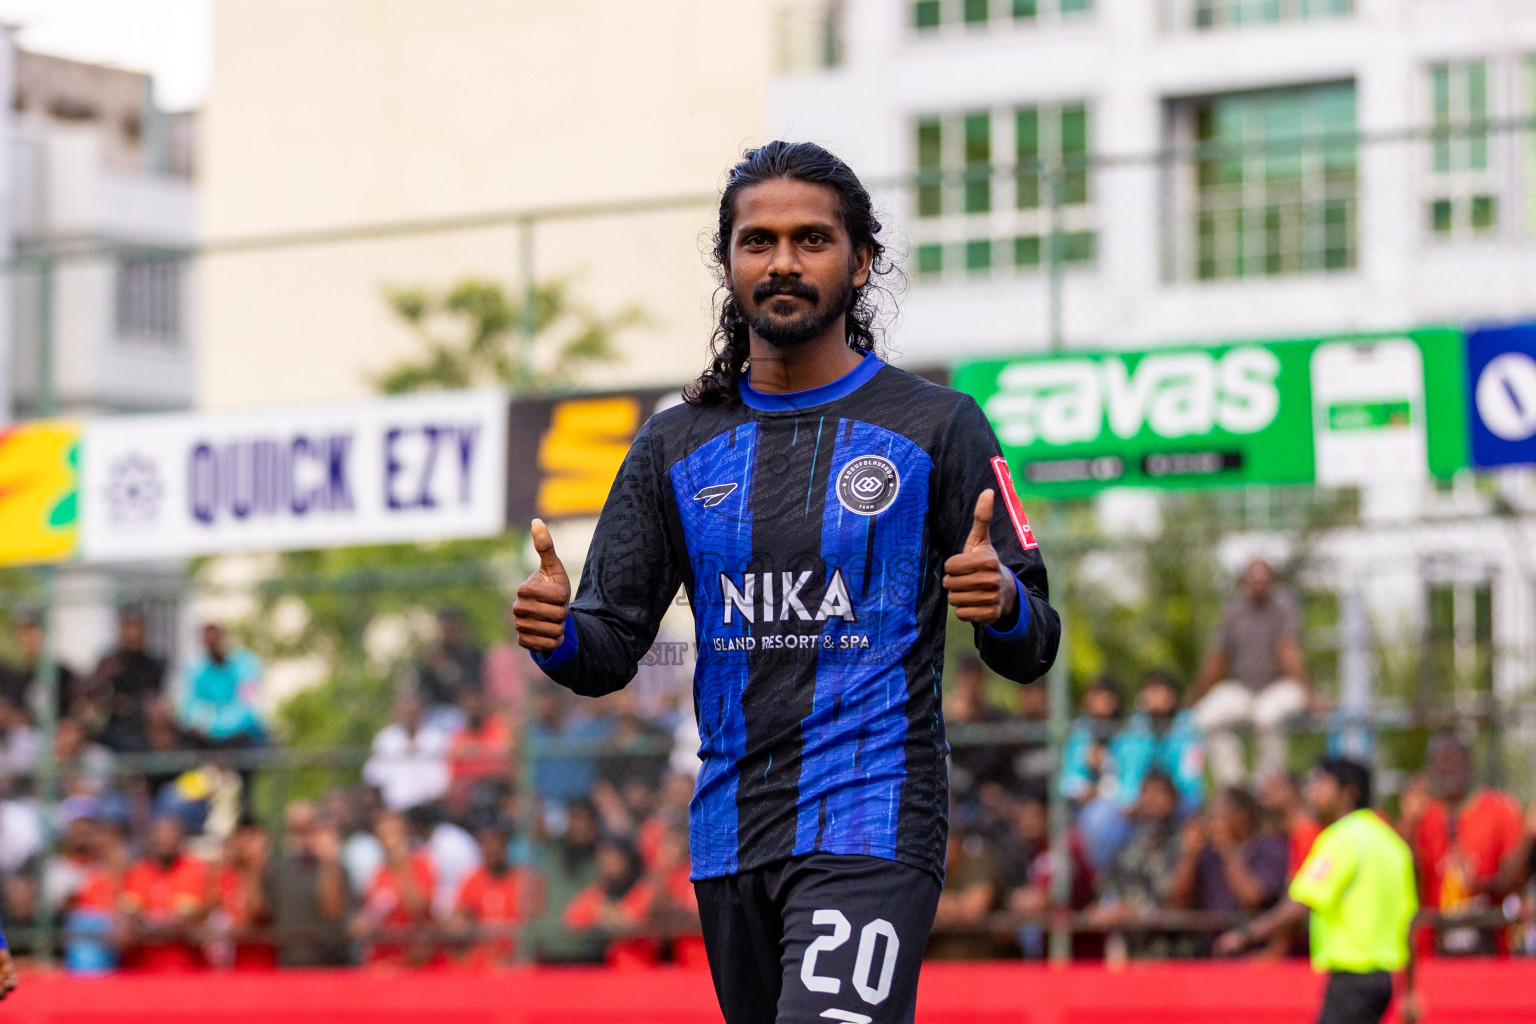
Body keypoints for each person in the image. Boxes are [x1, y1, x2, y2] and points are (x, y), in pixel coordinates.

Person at [512, 141, 1060, 1024]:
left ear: (861, 260)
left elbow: (1038, 640)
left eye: (812, 239)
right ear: (728, 262)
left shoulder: (939, 425)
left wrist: (999, 604)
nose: (783, 262)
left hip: (874, 817)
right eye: (758, 241)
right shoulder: (674, 445)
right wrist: (557, 633)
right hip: (731, 835)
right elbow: (608, 646)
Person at [1216, 759, 1420, 1024]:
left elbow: (1302, 901)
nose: (1312, 791)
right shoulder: (1392, 843)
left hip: (1352, 978)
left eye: (1322, 783)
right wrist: (1411, 991)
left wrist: (1246, 934)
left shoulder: (1342, 838)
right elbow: (1410, 922)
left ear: (1348, 793)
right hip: (1383, 981)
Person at [1188, 559, 1316, 785]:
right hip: (1245, 687)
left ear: (1272, 581)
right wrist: (1195, 696)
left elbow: (1288, 651)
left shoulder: (1283, 604)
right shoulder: (1233, 608)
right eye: (1253, 578)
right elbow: (1219, 657)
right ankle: (1234, 788)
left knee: (1267, 716)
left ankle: (1266, 787)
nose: (1258, 584)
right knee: (1206, 716)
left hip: (1280, 685)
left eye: (1263, 578)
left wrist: (1310, 696)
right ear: (1244, 581)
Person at [1397, 733, 1523, 955]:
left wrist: (1477, 884)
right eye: (1439, 762)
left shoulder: (1500, 811)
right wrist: (1409, 823)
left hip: (1489, 947)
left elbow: (1514, 883)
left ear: (1468, 762)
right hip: (1433, 949)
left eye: (1452, 760)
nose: (1446, 769)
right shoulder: (1423, 815)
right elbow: (1399, 877)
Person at [1168, 786, 1289, 950]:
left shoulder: (1271, 850)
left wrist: (1227, 850)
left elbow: (1252, 899)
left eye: (1219, 817)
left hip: (1256, 953)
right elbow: (1177, 899)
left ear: (1242, 818)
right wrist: (1190, 853)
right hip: (1212, 952)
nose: (1212, 823)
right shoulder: (1208, 855)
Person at [1090, 769, 1192, 959]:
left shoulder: (1185, 844)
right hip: (1133, 955)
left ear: (1173, 799)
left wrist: (1138, 915)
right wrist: (1107, 908)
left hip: (1175, 955)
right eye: (1146, 792)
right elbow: (1108, 890)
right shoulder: (1127, 845)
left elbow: (1180, 900)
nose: (1152, 800)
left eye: (1159, 793)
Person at [267, 801, 352, 968]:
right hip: (288, 964)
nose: (302, 836)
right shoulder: (279, 871)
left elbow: (332, 910)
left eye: (307, 829)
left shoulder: (336, 869)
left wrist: (329, 862)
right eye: (296, 829)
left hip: (328, 965)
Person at [118, 815, 209, 970]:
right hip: (142, 966)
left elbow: (185, 922)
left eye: (170, 838)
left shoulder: (193, 870)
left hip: (184, 966)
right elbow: (129, 918)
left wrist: (148, 927)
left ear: (181, 840)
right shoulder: (138, 872)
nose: (165, 843)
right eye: (160, 838)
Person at [356, 807, 437, 967]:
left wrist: (401, 866)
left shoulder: (421, 864)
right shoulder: (378, 873)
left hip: (414, 960)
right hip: (382, 959)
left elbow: (418, 908)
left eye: (394, 833)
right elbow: (373, 912)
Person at [451, 816, 534, 966]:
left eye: (496, 840)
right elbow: (457, 924)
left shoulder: (523, 880)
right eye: (486, 841)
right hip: (481, 964)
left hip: (516, 962)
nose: (492, 847)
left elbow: (532, 926)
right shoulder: (472, 880)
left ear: (506, 843)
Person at [179, 624, 266, 749]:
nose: (214, 647)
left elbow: (248, 707)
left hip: (240, 735)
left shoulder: (246, 665)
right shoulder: (196, 669)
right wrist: (206, 725)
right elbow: (189, 707)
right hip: (204, 737)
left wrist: (215, 727)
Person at [92, 610, 167, 752]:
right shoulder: (109, 663)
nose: (133, 634)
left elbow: (152, 700)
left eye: (137, 628)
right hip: (110, 728)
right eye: (129, 628)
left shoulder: (154, 665)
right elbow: (96, 697)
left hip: (142, 728)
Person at [362, 691, 451, 812]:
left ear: (421, 709)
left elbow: (445, 776)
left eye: (413, 708)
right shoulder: (385, 739)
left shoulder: (437, 738)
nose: (410, 713)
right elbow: (373, 776)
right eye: (406, 708)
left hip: (430, 807)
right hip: (393, 809)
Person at [1260, 769, 1323, 882]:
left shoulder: (1308, 831)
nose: (1266, 791)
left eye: (1275, 786)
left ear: (1292, 791)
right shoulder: (1273, 832)